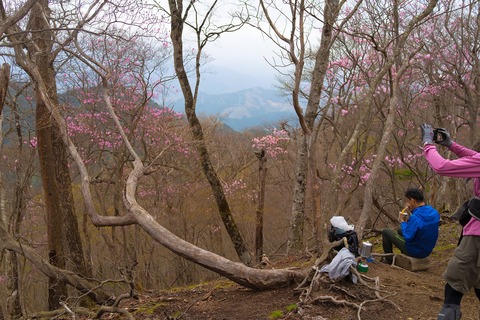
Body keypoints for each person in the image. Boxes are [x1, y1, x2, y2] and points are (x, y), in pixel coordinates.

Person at [421, 124, 480, 320]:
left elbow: (442, 167)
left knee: (455, 281)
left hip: (477, 234)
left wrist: (428, 144)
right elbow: (475, 158)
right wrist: (452, 145)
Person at [381, 187, 440, 264]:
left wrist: (403, 221)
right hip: (427, 250)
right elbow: (422, 224)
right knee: (400, 230)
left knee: (386, 232)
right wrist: (412, 211)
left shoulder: (415, 218)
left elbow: (408, 237)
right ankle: (404, 255)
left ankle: (389, 260)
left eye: (408, 200)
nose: (407, 203)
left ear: (413, 200)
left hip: (415, 251)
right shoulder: (434, 212)